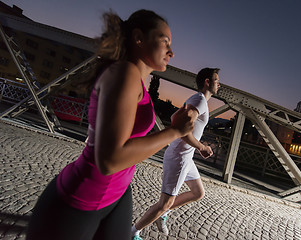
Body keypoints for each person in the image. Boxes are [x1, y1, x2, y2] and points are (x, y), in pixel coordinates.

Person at [26, 9, 196, 240]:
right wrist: (175, 131)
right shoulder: (124, 73)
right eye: (164, 41)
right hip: (81, 202)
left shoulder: (134, 78)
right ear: (139, 38)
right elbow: (109, 161)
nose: (172, 52)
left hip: (116, 194)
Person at [131, 67, 221, 239]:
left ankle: (163, 214)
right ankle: (134, 232)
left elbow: (174, 118)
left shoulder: (199, 100)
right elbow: (179, 127)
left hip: (186, 157)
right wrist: (202, 147)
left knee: (197, 193)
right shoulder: (200, 100)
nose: (219, 85)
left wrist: (196, 147)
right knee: (165, 203)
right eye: (217, 81)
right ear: (207, 82)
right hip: (179, 157)